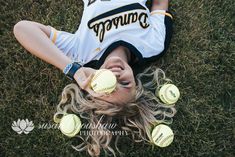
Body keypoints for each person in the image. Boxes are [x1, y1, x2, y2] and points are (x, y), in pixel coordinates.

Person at [14, 0, 176, 156]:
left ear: (93, 85)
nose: (115, 76)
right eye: (125, 83)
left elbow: (23, 28)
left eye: (109, 86)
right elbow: (159, 4)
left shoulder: (82, 55)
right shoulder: (154, 46)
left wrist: (73, 69)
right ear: (136, 83)